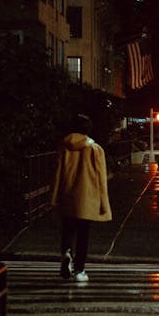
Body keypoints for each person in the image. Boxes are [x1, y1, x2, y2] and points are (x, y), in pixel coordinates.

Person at [51, 114, 112, 282]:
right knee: (83, 236)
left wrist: (55, 196)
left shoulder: (64, 147)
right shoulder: (95, 149)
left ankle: (66, 253)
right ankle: (79, 270)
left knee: (67, 230)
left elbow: (58, 173)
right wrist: (103, 203)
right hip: (88, 198)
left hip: (67, 195)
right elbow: (101, 178)